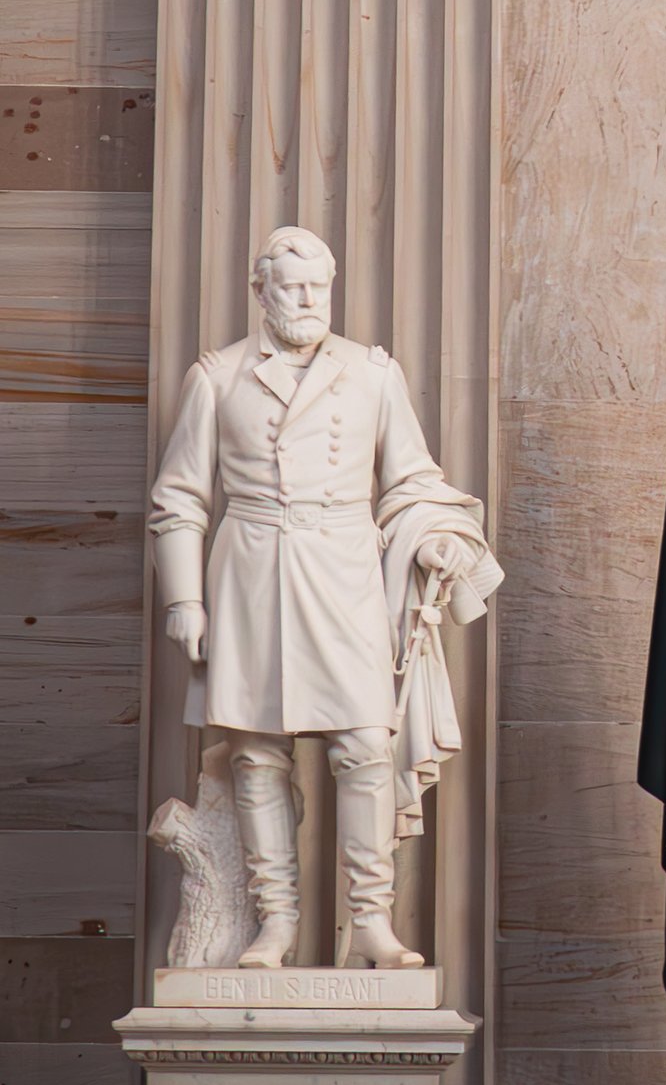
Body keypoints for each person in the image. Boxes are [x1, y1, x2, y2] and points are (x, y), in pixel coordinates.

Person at [148, 227, 502, 969]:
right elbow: (179, 499)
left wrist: (435, 538)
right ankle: (275, 923)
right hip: (251, 572)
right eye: (292, 286)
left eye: (319, 286)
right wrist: (185, 599)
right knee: (255, 755)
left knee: (366, 744)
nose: (309, 299)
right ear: (261, 291)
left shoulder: (372, 374)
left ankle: (371, 921)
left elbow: (413, 480)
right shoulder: (217, 376)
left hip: (344, 571)